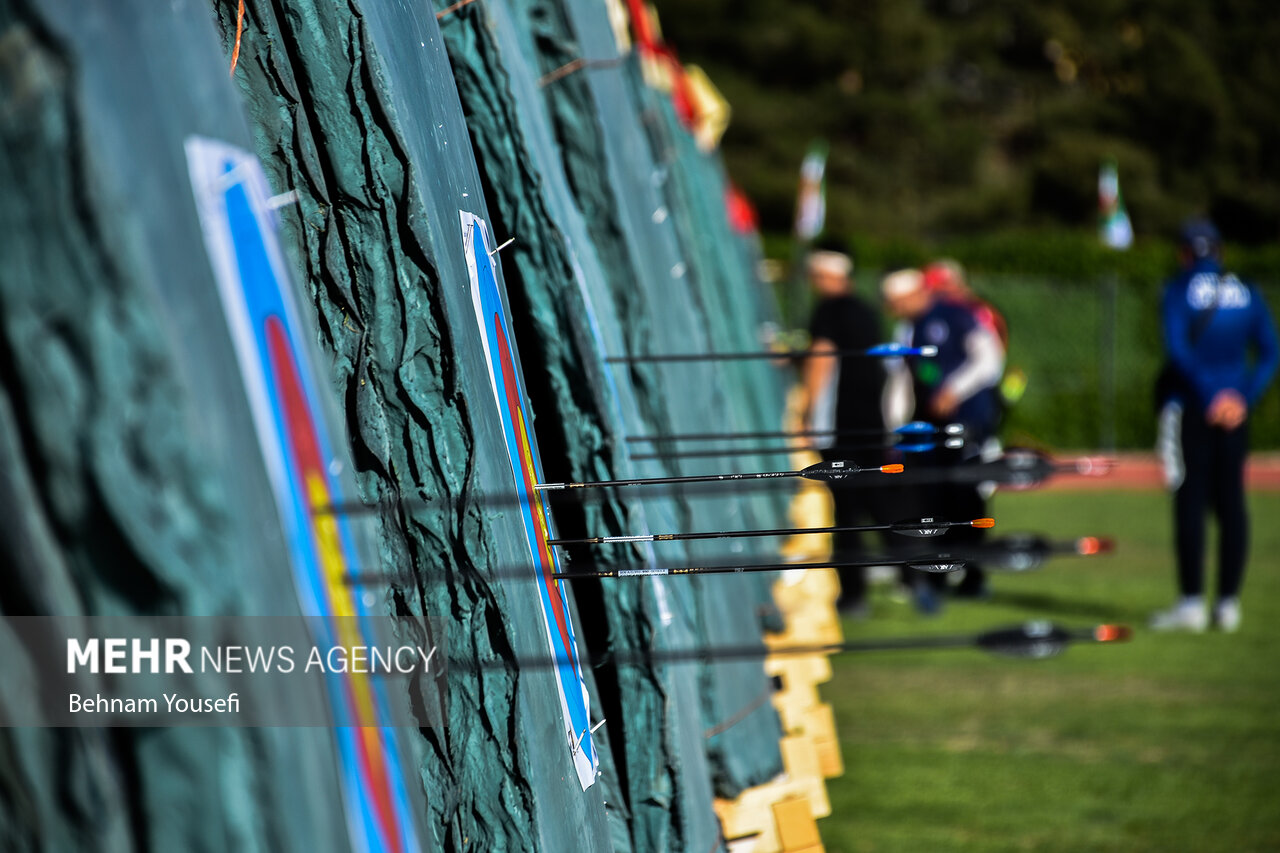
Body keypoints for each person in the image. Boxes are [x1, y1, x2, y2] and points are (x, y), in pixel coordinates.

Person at [1151, 219, 1278, 632]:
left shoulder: (1177, 290)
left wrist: (1210, 397)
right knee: (1232, 505)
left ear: (1185, 252)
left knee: (1190, 500)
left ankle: (1190, 603)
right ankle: (1228, 605)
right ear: (1220, 251)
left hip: (1195, 408)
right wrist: (1242, 397)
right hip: (1236, 414)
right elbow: (1271, 353)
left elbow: (1178, 350)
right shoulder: (1248, 292)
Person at [882, 268, 1005, 604]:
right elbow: (903, 382)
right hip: (932, 431)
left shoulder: (957, 315)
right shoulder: (910, 329)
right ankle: (941, 572)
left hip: (968, 424)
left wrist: (954, 390)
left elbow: (990, 360)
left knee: (968, 498)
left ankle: (974, 573)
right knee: (935, 500)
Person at [800, 247, 891, 616]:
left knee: (847, 512)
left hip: (840, 428)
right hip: (872, 424)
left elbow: (821, 360)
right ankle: (919, 573)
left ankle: (854, 594)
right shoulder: (867, 310)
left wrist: (806, 413)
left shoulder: (828, 311)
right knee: (874, 502)